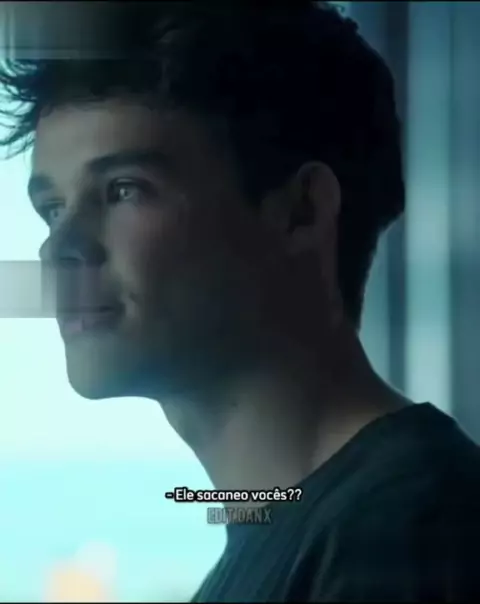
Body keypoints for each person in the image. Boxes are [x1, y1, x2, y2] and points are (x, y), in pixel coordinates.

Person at [1, 2, 479, 601]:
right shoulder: (312, 533)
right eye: (52, 209)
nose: (60, 248)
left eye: (124, 190)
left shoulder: (405, 532)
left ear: (301, 211)